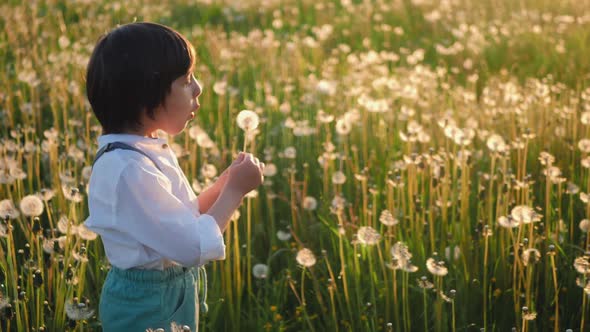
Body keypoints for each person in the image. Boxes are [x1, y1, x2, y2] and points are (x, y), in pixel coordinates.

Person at [83, 22, 264, 331]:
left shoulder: (143, 152)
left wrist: (223, 185)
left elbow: (183, 219)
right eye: (186, 80)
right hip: (146, 306)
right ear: (145, 96)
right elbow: (192, 246)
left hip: (167, 294)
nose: (199, 88)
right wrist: (233, 192)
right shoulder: (128, 169)